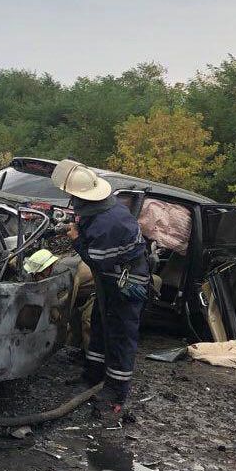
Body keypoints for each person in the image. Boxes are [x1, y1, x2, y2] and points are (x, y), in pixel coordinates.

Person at [53, 159, 148, 412]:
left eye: (74, 198)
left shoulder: (109, 223)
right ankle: (92, 377)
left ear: (86, 198)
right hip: (111, 279)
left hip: (126, 281)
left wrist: (75, 239)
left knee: (120, 334)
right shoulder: (101, 210)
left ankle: (116, 392)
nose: (72, 203)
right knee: (99, 324)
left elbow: (97, 260)